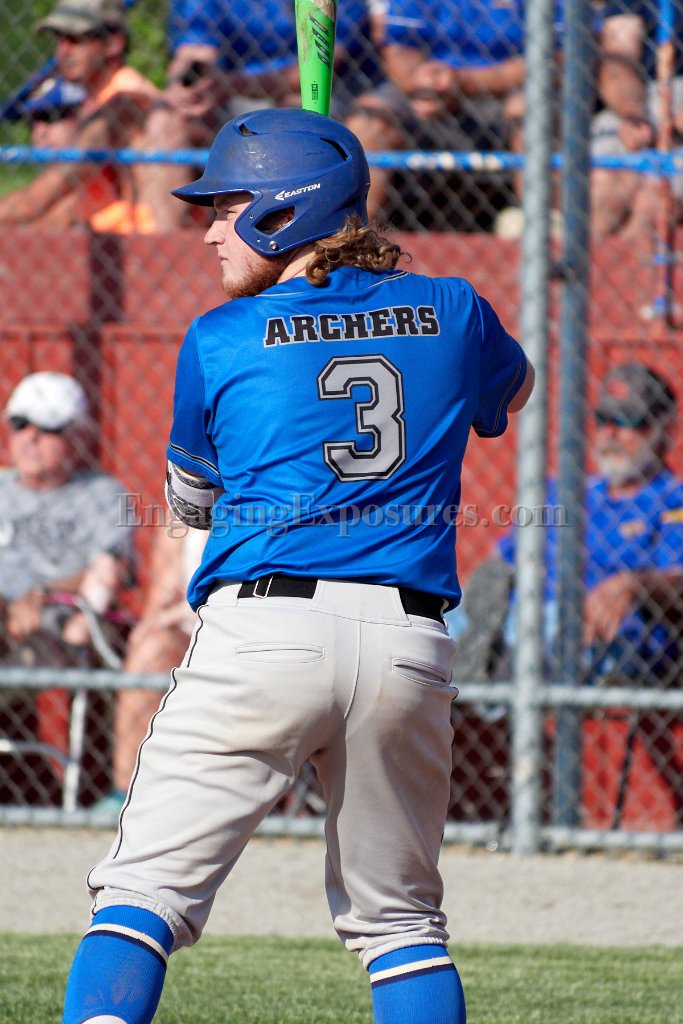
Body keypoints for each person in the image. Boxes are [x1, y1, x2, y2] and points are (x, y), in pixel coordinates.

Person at [60, 107, 534, 1024]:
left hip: (263, 634)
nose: (208, 232)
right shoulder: (455, 308)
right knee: (401, 926)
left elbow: (193, 503)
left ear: (287, 213)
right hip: (406, 645)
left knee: (142, 894)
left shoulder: (220, 335)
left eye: (226, 208)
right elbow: (508, 395)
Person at [454, 362, 683, 824]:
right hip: (525, 616)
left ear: (664, 430)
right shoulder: (565, 493)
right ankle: (472, 665)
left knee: (541, 623)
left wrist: (634, 584)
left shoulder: (671, 500)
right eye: (605, 419)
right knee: (436, 621)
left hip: (611, 639)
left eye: (630, 422)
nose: (611, 433)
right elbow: (503, 562)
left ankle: (480, 673)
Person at [135, 0, 385, 231]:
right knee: (165, 119)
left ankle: (342, 239)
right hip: (238, 97)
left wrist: (233, 84)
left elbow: (323, 61)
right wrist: (185, 84)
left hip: (331, 95)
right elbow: (195, 49)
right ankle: (164, 241)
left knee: (298, 110)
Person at [345, 0, 529, 229]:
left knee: (525, 110)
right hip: (423, 92)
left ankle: (543, 232)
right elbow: (399, 51)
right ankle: (352, 237)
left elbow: (554, 57)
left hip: (503, 95)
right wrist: (422, 82)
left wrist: (463, 81)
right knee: (368, 120)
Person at [0, 0, 158, 233]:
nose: (63, 51)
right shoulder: (95, 101)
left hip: (145, 241)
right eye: (59, 39)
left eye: (76, 39)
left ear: (114, 43)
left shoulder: (126, 96)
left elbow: (43, 195)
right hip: (108, 238)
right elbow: (68, 205)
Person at [93, 525, 207, 816]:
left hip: (240, 627)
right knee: (149, 650)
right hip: (187, 628)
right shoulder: (186, 507)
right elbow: (163, 596)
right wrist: (149, 628)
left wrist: (174, 615)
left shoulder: (260, 504)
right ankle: (127, 791)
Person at [590, 1, 683, 238]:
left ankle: (631, 256)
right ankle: (584, 258)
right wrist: (634, 115)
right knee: (604, 185)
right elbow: (617, 64)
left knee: (652, 202)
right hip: (644, 99)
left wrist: (674, 125)